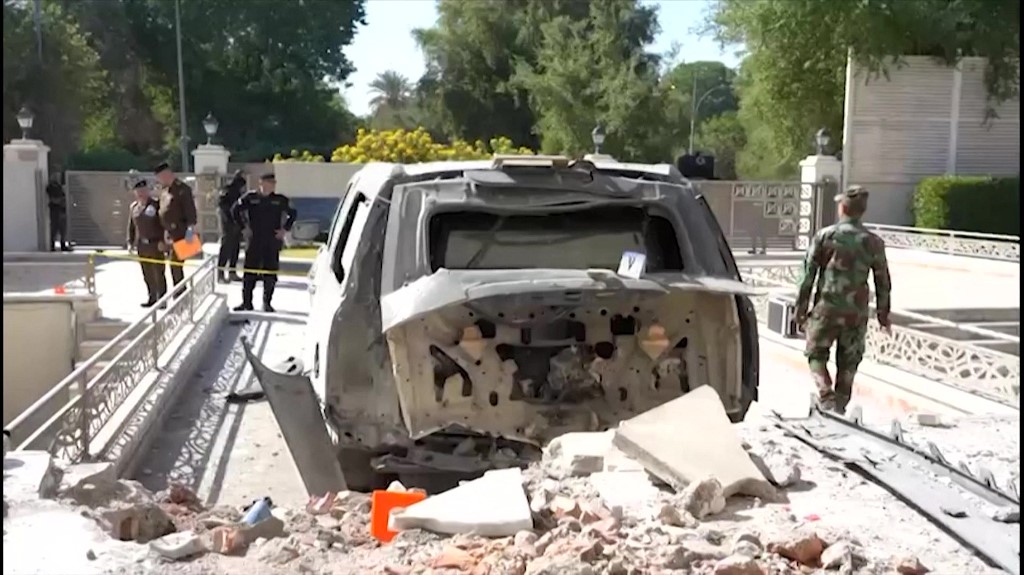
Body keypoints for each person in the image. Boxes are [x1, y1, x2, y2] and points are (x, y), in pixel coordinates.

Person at [795, 186, 892, 414]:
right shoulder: (873, 242)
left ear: (842, 208)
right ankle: (839, 406)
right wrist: (883, 316)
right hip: (855, 315)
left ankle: (826, 395)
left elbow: (807, 276)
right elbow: (883, 282)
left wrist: (800, 309)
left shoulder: (825, 236)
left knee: (815, 354)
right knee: (849, 362)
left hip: (825, 310)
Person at [230, 172, 297, 312]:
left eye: (274, 183)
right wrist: (243, 228)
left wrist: (285, 229)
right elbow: (235, 210)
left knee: (270, 273)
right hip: (254, 239)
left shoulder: (280, 200)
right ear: (261, 183)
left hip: (271, 240)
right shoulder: (250, 197)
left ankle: (267, 303)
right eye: (270, 183)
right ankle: (246, 302)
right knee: (249, 273)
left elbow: (293, 213)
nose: (273, 186)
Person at [154, 162, 197, 295]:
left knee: (176, 265)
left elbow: (190, 213)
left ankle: (181, 294)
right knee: (173, 266)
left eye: (160, 177)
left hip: (182, 233)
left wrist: (190, 235)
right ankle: (178, 293)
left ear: (166, 174)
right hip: (169, 234)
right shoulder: (165, 190)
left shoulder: (182, 189)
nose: (159, 180)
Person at [126, 180, 168, 307]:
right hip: (142, 246)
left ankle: (162, 300)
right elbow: (131, 227)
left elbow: (163, 224)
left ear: (148, 191)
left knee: (158, 273)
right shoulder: (134, 207)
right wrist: (130, 242)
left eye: (143, 191)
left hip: (155, 244)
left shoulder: (156, 205)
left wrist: (163, 241)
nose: (141, 194)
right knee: (147, 273)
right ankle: (152, 297)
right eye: (138, 192)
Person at [217, 170, 247, 283]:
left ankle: (232, 272)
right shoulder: (228, 191)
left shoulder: (239, 192)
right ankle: (220, 274)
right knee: (226, 248)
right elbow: (223, 209)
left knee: (235, 248)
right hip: (228, 225)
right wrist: (230, 222)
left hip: (237, 224)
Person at [46, 175, 70, 252]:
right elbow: (54, 199)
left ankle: (61, 245)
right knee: (55, 228)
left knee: (62, 229)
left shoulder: (58, 187)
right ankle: (54, 245)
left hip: (60, 210)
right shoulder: (52, 188)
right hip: (56, 210)